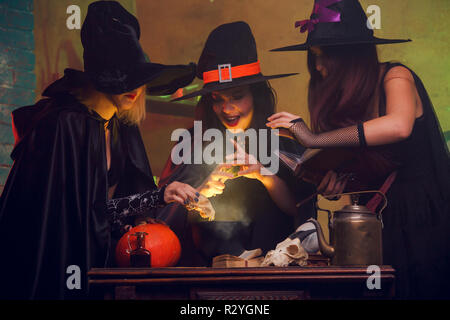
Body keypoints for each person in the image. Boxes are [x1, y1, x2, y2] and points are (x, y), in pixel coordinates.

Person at [0, 1, 199, 299]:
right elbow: (81, 217)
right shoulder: (65, 125)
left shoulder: (119, 125)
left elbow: (103, 211)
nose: (133, 89)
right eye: (122, 79)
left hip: (97, 261)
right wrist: (157, 196)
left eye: (137, 79)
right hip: (57, 266)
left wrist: (156, 200)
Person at [268, 0, 450, 299]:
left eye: (326, 57)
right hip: (375, 226)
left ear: (353, 55)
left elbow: (398, 126)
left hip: (423, 220)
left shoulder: (395, 76)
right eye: (313, 57)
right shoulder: (335, 99)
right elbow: (362, 166)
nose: (318, 66)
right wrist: (334, 183)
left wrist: (313, 139)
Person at [157, 21, 317, 266]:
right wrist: (202, 193)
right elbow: (166, 220)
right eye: (217, 98)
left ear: (256, 95)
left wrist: (263, 174)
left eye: (237, 96)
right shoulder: (191, 144)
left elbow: (302, 212)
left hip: (278, 271)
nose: (227, 108)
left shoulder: (282, 139)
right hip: (211, 274)